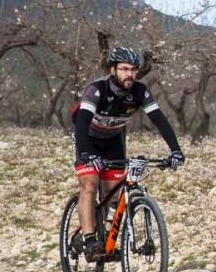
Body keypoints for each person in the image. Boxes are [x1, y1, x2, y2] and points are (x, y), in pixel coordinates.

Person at [71, 47, 185, 259]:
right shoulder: (97, 90)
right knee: (89, 184)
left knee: (112, 193)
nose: (130, 74)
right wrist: (87, 153)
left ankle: (103, 239)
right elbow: (82, 122)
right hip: (88, 139)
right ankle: (88, 239)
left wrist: (175, 151)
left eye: (133, 69)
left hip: (113, 140)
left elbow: (160, 120)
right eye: (124, 69)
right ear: (113, 70)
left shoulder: (140, 92)